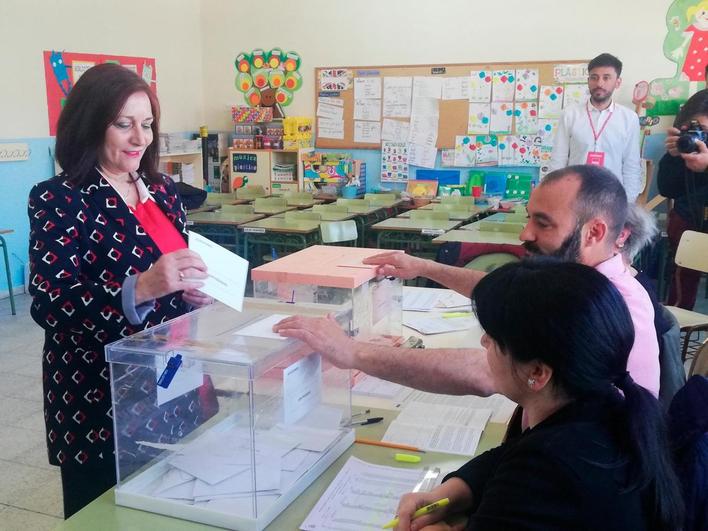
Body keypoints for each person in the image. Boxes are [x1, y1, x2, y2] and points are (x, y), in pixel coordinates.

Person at [274, 165, 661, 397]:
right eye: (529, 217)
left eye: (542, 223)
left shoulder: (603, 302)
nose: (524, 234)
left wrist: (353, 353)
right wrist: (423, 268)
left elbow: (484, 372)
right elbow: (504, 292)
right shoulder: (582, 279)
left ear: (594, 232)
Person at [27, 63, 213, 518]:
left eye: (147, 124)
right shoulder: (59, 197)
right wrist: (143, 286)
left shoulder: (163, 191)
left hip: (172, 378)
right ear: (91, 124)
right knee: (104, 515)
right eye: (123, 124)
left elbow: (175, 270)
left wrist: (189, 288)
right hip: (97, 392)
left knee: (170, 506)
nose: (140, 138)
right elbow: (51, 302)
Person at [392, 259, 684, 531]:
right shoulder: (602, 407)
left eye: (493, 338)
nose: (483, 341)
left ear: (538, 372)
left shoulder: (551, 466)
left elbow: (527, 467)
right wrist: (452, 492)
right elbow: (511, 454)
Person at [549, 53, 642, 201]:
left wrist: (628, 204)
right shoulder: (570, 115)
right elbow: (558, 160)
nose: (599, 83)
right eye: (594, 77)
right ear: (588, 81)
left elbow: (631, 165)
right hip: (574, 197)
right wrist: (556, 196)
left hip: (612, 198)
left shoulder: (629, 118)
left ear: (617, 82)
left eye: (606, 77)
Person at [657, 88, 708, 310]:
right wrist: (673, 156)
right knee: (681, 289)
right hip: (688, 219)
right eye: (694, 127)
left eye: (704, 130)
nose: (699, 135)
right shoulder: (682, 145)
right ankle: (676, 336)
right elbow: (667, 189)